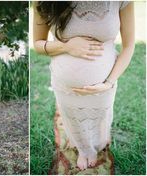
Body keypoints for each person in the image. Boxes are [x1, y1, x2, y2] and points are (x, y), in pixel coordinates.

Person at [33, 1, 134, 170]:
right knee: (73, 119)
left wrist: (108, 83)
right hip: (66, 87)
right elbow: (37, 43)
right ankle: (84, 150)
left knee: (100, 119)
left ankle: (95, 146)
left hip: (104, 84)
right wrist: (66, 46)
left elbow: (129, 45)